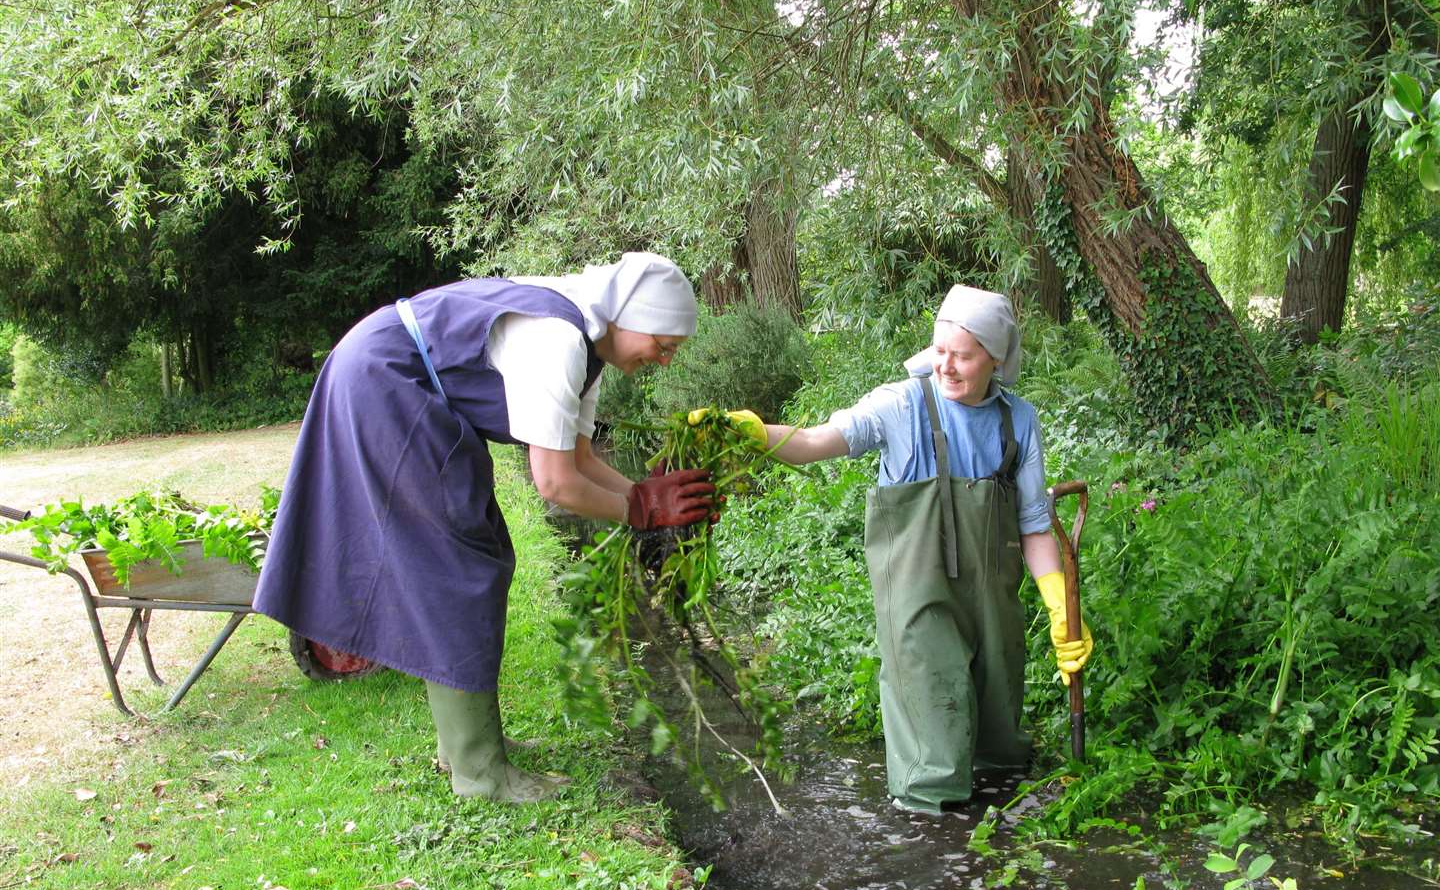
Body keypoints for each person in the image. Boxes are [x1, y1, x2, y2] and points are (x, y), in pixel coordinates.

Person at [255, 253, 715, 804]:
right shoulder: (558, 340)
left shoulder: (588, 343)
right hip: (386, 383)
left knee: (483, 553)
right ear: (631, 316)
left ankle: (472, 747)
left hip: (407, 388)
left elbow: (582, 460)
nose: (663, 361)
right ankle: (480, 775)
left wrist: (645, 500)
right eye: (661, 345)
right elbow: (556, 484)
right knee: (455, 567)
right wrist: (641, 510)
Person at [696, 286, 1093, 814]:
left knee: (1000, 744)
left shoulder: (1016, 421)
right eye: (939, 350)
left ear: (995, 359)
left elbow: (1034, 525)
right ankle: (937, 850)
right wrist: (752, 431)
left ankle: (1004, 831)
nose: (945, 366)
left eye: (963, 355)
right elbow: (819, 442)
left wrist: (1059, 605)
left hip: (995, 602)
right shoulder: (901, 405)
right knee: (936, 756)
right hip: (918, 599)